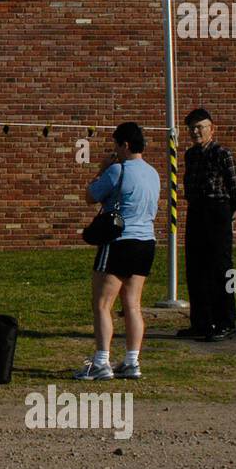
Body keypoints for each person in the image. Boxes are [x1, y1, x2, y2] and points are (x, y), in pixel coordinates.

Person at [74, 122, 160, 381]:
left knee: (102, 304)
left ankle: (101, 361)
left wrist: (101, 170)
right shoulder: (153, 173)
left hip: (119, 241)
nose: (114, 150)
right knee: (132, 304)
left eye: (115, 145)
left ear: (124, 145)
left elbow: (91, 196)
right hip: (146, 242)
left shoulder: (117, 170)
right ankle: (132, 360)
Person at [179, 107, 236, 342]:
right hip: (197, 211)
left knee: (223, 269)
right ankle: (201, 321)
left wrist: (229, 212)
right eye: (192, 128)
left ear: (211, 129)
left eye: (200, 127)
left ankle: (227, 321)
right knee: (196, 269)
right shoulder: (191, 155)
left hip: (218, 211)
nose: (196, 132)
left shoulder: (222, 154)